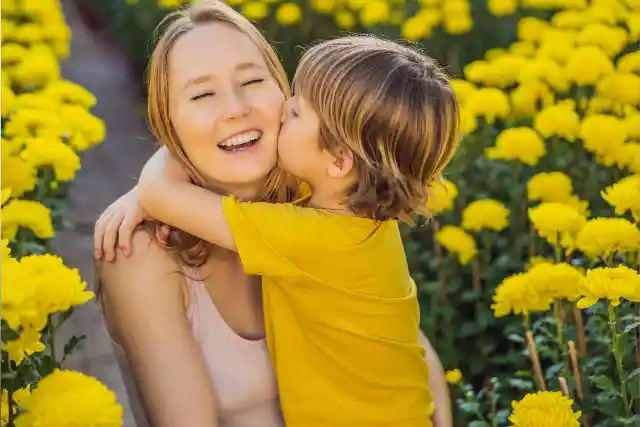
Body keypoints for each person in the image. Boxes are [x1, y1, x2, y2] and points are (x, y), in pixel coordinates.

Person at [94, 1, 452, 427]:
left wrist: (153, 186)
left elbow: (413, 348)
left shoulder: (312, 213)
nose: (235, 108)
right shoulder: (141, 251)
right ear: (167, 122)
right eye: (202, 94)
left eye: (252, 81)